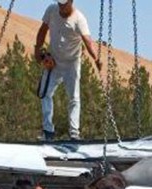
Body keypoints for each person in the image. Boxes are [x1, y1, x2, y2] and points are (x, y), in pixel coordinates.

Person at [34, 0, 102, 140]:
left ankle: (74, 133)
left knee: (74, 98)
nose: (61, 7)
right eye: (59, 3)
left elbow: (87, 41)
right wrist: (38, 49)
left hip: (72, 63)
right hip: (54, 61)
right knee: (44, 93)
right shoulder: (52, 10)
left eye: (64, 4)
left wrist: (96, 59)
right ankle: (48, 130)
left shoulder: (79, 19)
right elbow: (43, 30)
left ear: (71, 2)